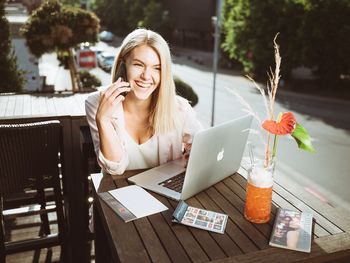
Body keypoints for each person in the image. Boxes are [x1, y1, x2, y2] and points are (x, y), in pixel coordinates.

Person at [85, 28, 203, 175]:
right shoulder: (96, 103)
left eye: (157, 68)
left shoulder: (180, 108)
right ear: (123, 63)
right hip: (119, 192)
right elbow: (114, 168)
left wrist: (194, 155)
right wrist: (103, 120)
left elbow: (204, 147)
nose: (146, 76)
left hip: (166, 193)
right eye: (138, 65)